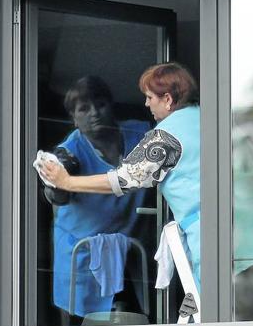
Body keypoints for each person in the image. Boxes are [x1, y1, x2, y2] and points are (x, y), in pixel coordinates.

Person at [40, 63, 202, 288]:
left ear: (167, 99)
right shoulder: (212, 118)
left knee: (209, 308)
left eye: (149, 97)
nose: (145, 103)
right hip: (251, 227)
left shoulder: (166, 137)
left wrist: (65, 181)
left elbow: (123, 179)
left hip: (207, 235)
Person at [43, 75, 151, 325]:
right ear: (73, 118)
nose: (95, 113)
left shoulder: (141, 133)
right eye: (84, 108)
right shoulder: (70, 151)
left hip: (132, 249)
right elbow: (56, 193)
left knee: (137, 325)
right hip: (81, 253)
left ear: (111, 105)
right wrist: (55, 180)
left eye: (100, 104)